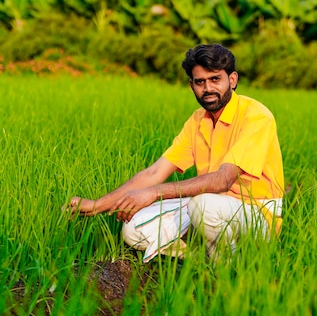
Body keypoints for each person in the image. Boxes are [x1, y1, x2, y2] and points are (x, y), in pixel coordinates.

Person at [67, 44, 284, 261]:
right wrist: (98, 204)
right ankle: (198, 260)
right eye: (200, 82)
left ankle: (227, 268)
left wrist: (154, 193)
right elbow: (154, 173)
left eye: (215, 79)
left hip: (256, 215)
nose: (208, 88)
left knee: (203, 206)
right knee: (133, 228)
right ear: (192, 85)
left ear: (233, 80)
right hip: (211, 203)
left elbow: (223, 180)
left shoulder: (256, 117)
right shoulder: (198, 120)